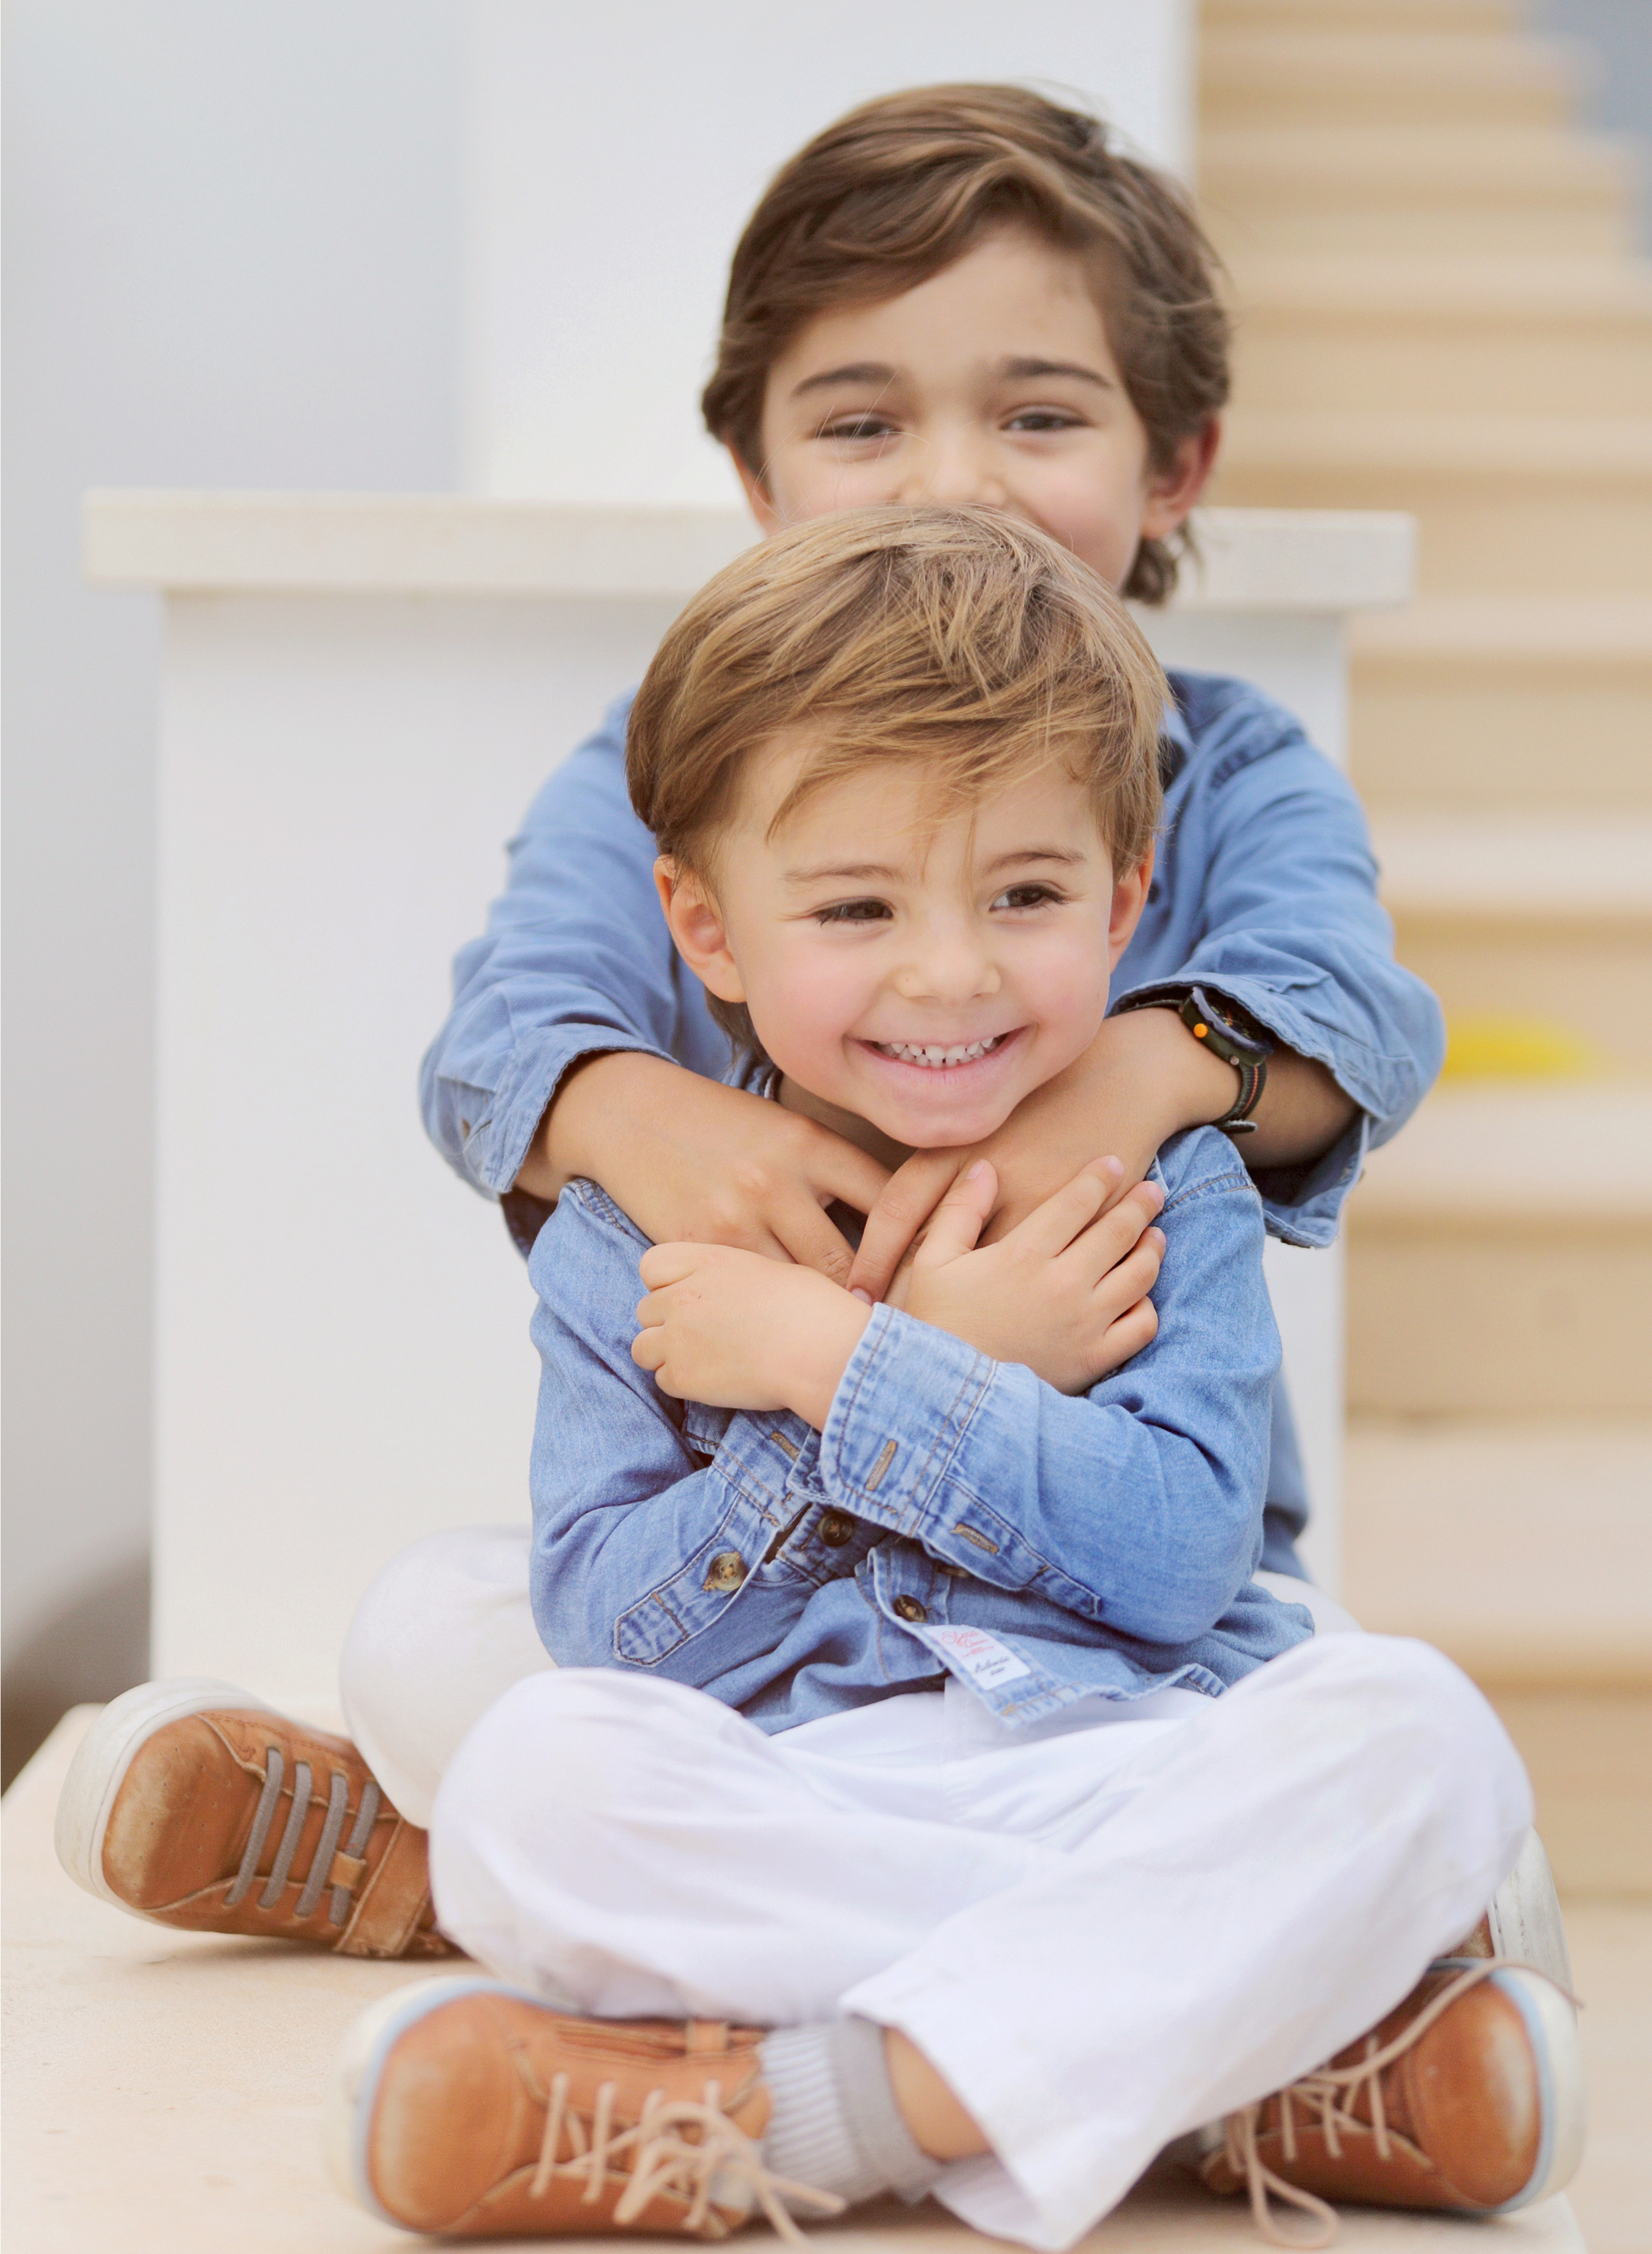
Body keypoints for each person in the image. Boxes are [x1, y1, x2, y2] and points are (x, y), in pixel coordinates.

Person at [55, 87, 1474, 1948]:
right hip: (774, 1618)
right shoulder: (675, 768)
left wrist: (1122, 1087)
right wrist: (657, 1126)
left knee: (1377, 1721)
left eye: (1038, 415)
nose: (954, 478)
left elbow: (1352, 1011)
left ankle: (495, 1889)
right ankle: (1155, 1972)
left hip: (1110, 1630)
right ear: (758, 474)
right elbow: (506, 1039)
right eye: (864, 420)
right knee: (432, 1631)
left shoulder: (1234, 780)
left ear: (1174, 465)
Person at [318, 509, 1580, 2249]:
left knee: (1423, 1741)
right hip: (802, 1784)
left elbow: (1177, 1560)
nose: (952, 971)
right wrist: (893, 1392)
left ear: (1125, 902)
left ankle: (818, 2110)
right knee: (538, 1783)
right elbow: (617, 1634)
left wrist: (849, 1365)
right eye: (856, 906)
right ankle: (1228, 2044)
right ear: (706, 929)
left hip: (1118, 1761)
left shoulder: (1161, 1187)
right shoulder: (636, 1228)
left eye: (1027, 897)